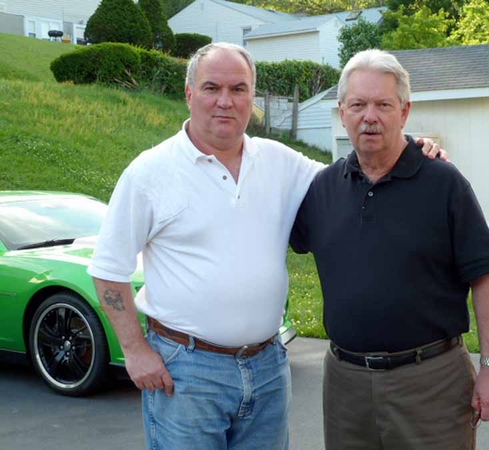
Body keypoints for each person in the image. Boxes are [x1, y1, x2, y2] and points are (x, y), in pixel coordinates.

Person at [88, 43, 442, 450]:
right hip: (186, 373)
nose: (225, 101)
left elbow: (355, 178)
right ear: (189, 94)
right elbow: (107, 270)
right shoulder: (150, 172)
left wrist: (414, 150)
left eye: (239, 89)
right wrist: (135, 351)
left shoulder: (279, 162)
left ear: (252, 98)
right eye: (211, 88)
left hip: (268, 369)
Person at [290, 49, 489, 450]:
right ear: (342, 112)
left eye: (383, 105)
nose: (369, 116)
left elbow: (485, 277)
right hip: (345, 385)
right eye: (357, 104)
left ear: (405, 112)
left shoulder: (443, 183)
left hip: (431, 382)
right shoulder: (322, 188)